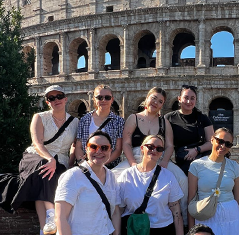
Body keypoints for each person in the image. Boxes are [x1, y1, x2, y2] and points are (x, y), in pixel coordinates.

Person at [0, 84, 78, 235]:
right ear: (47, 102)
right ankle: (51, 215)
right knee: (44, 168)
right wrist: (50, 159)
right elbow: (37, 143)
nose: (55, 100)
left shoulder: (75, 122)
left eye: (58, 96)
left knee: (43, 181)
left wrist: (69, 167)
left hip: (60, 161)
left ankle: (44, 233)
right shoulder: (39, 117)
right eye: (51, 98)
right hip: (36, 157)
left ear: (65, 98)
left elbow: (74, 148)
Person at [112, 86, 188, 219]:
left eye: (160, 101)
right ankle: (112, 217)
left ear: (162, 105)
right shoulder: (133, 118)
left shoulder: (164, 122)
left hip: (159, 158)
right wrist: (132, 163)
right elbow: (126, 143)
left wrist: (164, 162)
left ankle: (184, 219)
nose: (156, 103)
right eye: (154, 98)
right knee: (111, 177)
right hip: (136, 156)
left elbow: (169, 145)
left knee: (182, 180)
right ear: (147, 98)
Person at [165, 85, 213, 176]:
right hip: (180, 161)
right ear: (179, 99)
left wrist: (197, 150)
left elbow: (212, 142)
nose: (189, 101)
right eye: (186, 98)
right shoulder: (169, 117)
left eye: (192, 98)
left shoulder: (203, 118)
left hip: (201, 160)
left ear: (196, 100)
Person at [75, 84, 124, 169]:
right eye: (100, 97)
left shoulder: (119, 121)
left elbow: (118, 149)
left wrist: (100, 164)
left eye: (107, 97)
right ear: (94, 99)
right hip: (87, 166)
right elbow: (78, 146)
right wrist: (83, 163)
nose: (103, 100)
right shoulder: (84, 120)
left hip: (110, 166)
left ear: (112, 99)